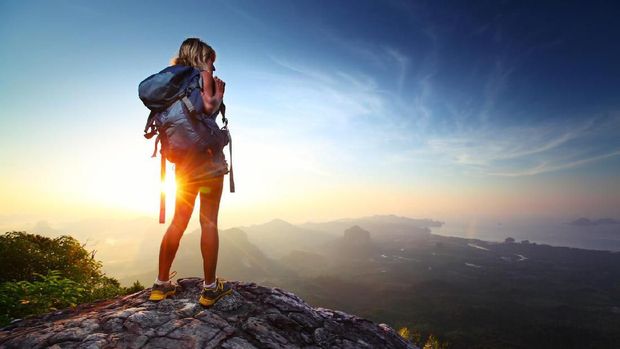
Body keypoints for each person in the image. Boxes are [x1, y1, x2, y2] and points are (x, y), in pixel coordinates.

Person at [148, 38, 233, 307]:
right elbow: (207, 108)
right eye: (211, 60)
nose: (214, 68)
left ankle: (161, 285)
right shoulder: (202, 74)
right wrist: (218, 97)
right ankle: (209, 290)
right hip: (208, 162)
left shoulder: (169, 84)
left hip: (182, 164)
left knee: (178, 221)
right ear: (202, 57)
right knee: (208, 222)